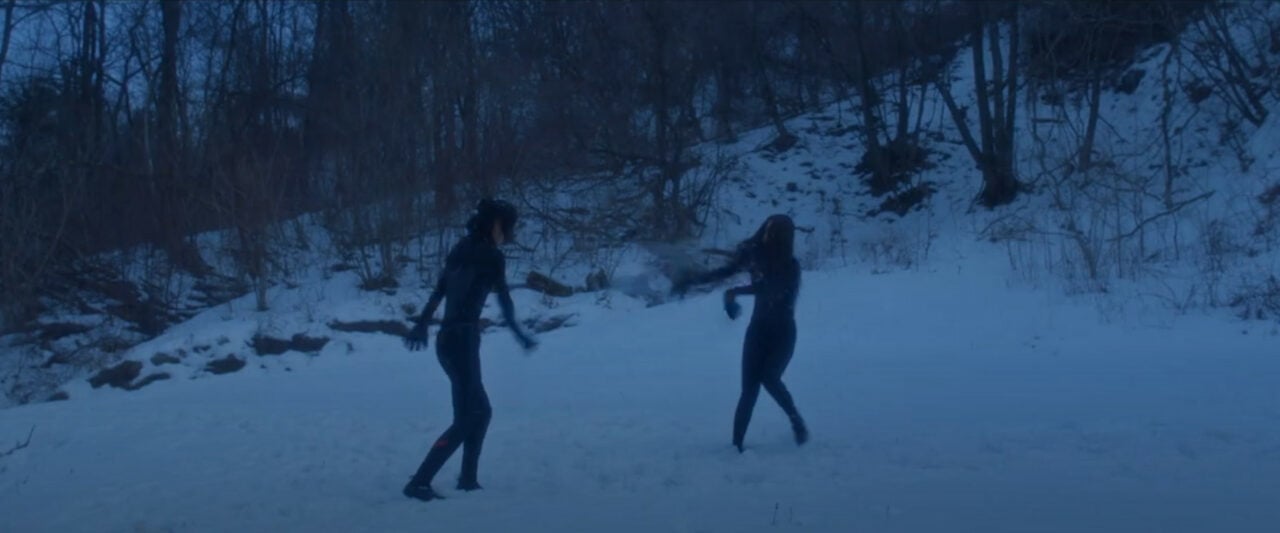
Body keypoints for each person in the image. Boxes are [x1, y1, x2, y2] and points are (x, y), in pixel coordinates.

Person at [401, 198, 538, 502]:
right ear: (496, 224)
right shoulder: (491, 256)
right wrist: (519, 334)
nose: (508, 233)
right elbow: (504, 299)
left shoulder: (461, 247)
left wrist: (422, 324)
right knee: (469, 417)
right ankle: (420, 482)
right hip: (462, 341)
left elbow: (439, 290)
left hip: (447, 341)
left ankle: (468, 479)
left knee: (479, 412)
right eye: (507, 226)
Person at [672, 214, 808, 453]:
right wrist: (692, 281)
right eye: (766, 231)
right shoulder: (757, 255)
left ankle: (796, 420)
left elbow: (770, 289)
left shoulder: (791, 267)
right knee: (749, 389)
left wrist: (734, 293)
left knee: (769, 377)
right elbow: (726, 272)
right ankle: (737, 445)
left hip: (783, 334)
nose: (767, 236)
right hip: (758, 330)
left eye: (773, 234)